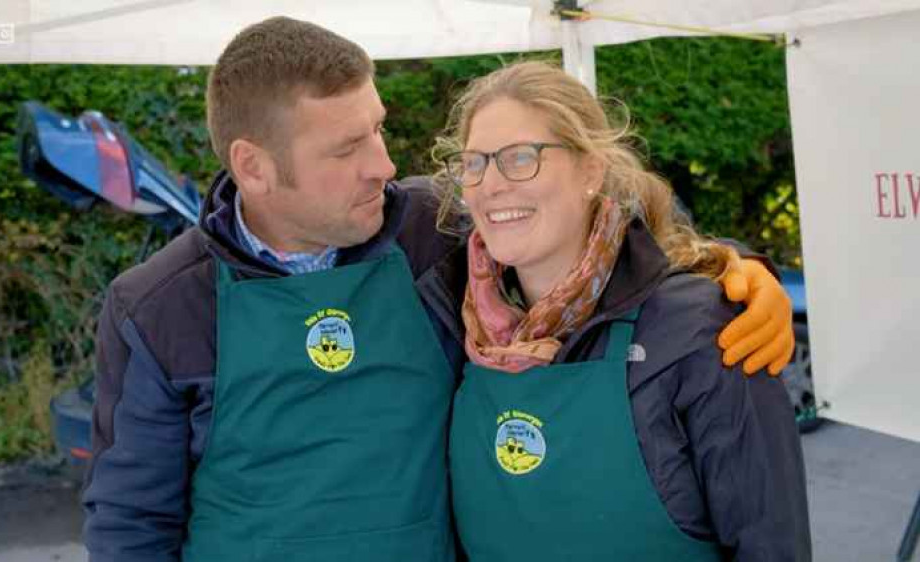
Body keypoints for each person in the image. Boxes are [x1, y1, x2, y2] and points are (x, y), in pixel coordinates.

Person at [81, 18, 796, 562]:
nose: (383, 165)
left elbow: (594, 226)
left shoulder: (427, 232)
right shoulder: (159, 305)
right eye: (346, 149)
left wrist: (737, 270)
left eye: (379, 131)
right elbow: (130, 526)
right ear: (254, 167)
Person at [432, 61, 811, 561]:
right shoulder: (449, 311)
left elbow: (772, 545)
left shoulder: (701, 330)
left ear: (591, 169)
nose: (492, 184)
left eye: (521, 158)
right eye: (475, 162)